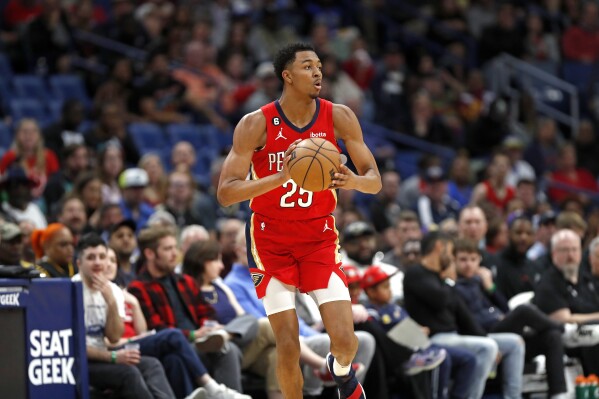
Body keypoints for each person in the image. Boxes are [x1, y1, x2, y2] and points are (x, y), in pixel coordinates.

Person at [217, 43, 382, 399]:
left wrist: (352, 180)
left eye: (320, 65)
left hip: (318, 236)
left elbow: (375, 180)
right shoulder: (255, 123)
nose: (318, 72)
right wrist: (279, 177)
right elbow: (226, 193)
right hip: (270, 239)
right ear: (287, 76)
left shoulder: (338, 116)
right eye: (308, 66)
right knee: (288, 345)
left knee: (346, 340)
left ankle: (340, 373)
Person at [453, 238, 568, 399]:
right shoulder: (454, 287)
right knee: (523, 311)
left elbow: (505, 308)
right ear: (454, 261)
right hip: (485, 335)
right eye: (463, 260)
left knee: (552, 337)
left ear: (479, 260)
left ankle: (559, 394)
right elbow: (467, 322)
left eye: (473, 259)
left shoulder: (480, 283)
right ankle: (564, 329)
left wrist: (490, 286)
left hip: (503, 329)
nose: (468, 264)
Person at [72, 233, 176, 399]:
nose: (98, 262)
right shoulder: (70, 291)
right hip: (79, 361)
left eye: (102, 257)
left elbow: (114, 337)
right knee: (129, 373)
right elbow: (73, 346)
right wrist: (113, 357)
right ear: (79, 263)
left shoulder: (112, 290)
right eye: (91, 257)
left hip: (103, 355)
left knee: (152, 364)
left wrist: (111, 303)